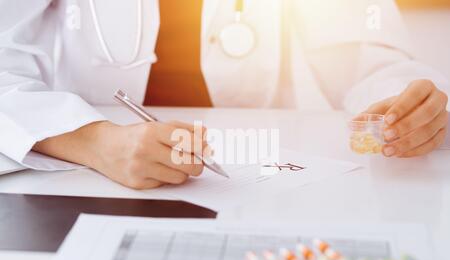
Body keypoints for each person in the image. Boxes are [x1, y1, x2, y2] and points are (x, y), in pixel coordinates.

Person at [0, 0, 448, 190]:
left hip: (258, 186)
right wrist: (97, 142)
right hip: (84, 181)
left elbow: (367, 60)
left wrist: (404, 101)